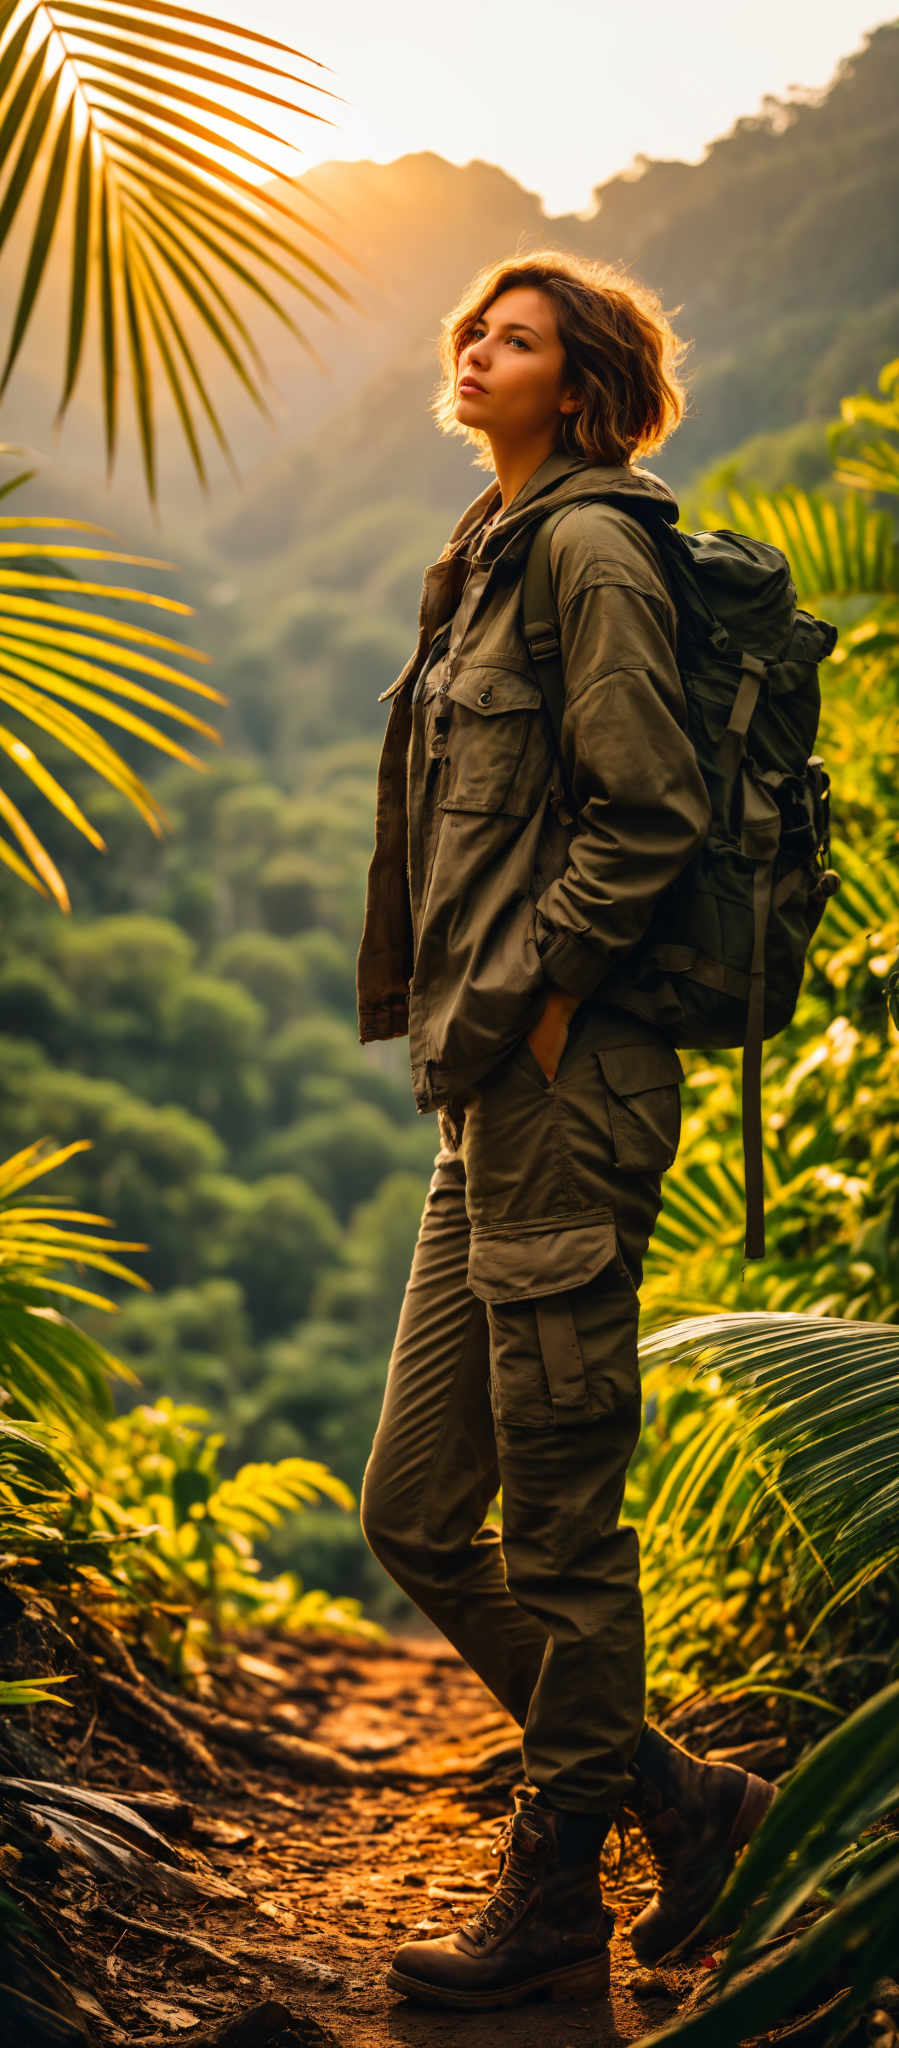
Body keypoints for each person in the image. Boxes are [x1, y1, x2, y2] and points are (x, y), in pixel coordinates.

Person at [355, 249, 775, 2011]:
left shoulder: (592, 548)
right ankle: (682, 1802)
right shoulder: (488, 555)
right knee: (413, 1509)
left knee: (563, 1526)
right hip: (489, 1094)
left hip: (561, 1082)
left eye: (516, 337)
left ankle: (548, 1923)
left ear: (582, 387)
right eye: (474, 325)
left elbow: (653, 806)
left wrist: (541, 995)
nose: (476, 348)